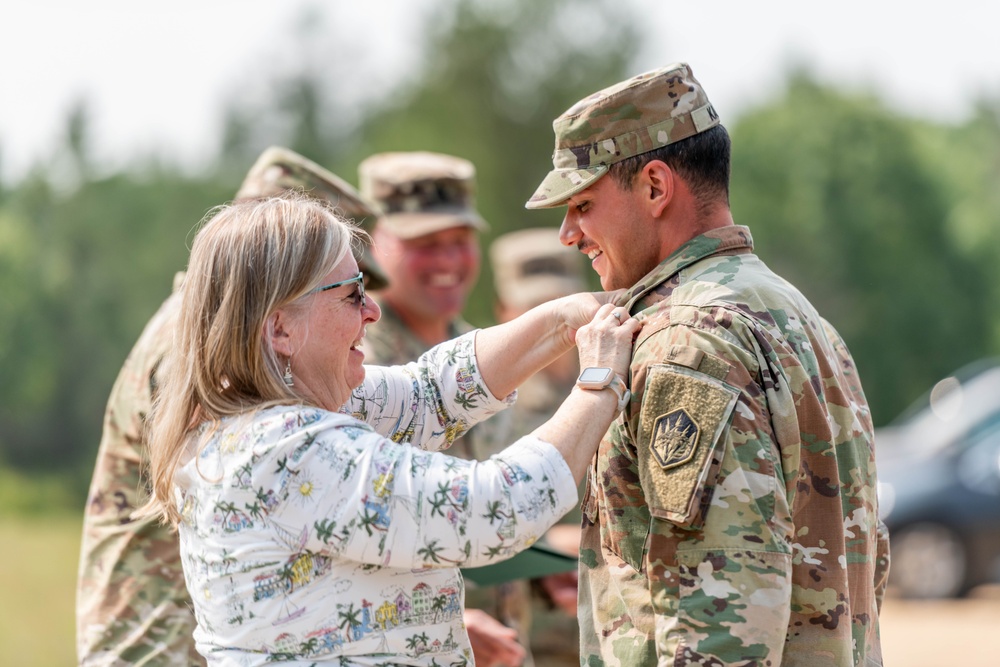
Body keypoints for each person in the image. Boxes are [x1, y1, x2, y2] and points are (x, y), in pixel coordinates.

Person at [136, 193, 640, 666]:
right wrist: (599, 383)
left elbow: (432, 392)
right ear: (281, 329)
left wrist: (564, 320)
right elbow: (493, 509)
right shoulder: (284, 450)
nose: (373, 310)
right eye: (353, 294)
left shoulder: (271, 411)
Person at [525, 62, 891, 666]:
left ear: (654, 187)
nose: (569, 233)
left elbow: (718, 622)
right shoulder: (796, 313)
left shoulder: (685, 343)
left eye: (583, 204)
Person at [75, 146, 388, 666]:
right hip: (164, 644)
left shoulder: (206, 328)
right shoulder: (203, 341)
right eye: (345, 285)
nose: (366, 305)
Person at [358, 150, 531, 666]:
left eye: (459, 242)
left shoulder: (486, 354)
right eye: (424, 245)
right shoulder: (354, 365)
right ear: (373, 243)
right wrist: (438, 627)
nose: (448, 262)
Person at [489, 227, 589, 667]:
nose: (555, 324)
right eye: (536, 310)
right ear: (505, 312)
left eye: (561, 306)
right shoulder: (485, 409)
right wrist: (550, 542)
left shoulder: (614, 382)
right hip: (532, 642)